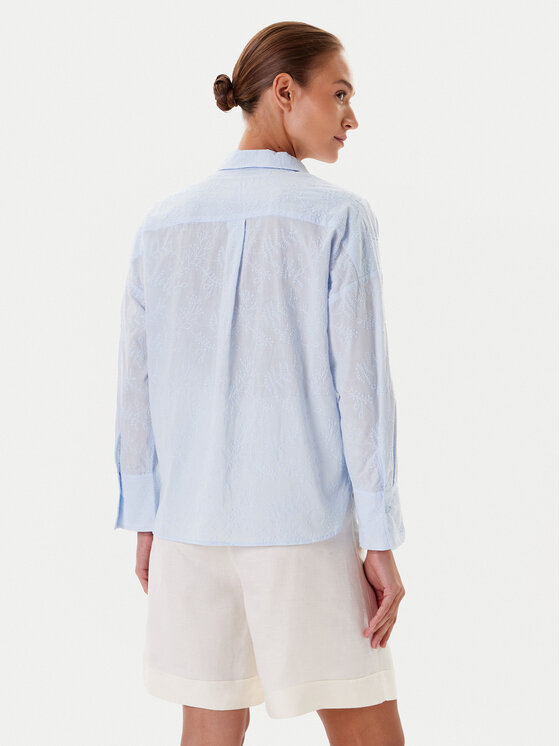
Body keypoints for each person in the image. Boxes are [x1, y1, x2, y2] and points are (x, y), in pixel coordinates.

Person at [113, 20, 406, 746]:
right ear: (284, 91)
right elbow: (361, 393)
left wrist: (147, 516)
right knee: (367, 727)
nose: (351, 118)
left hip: (189, 526)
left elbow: (136, 386)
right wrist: (379, 537)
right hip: (302, 524)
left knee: (209, 727)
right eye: (340, 94)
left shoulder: (162, 224)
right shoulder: (338, 219)